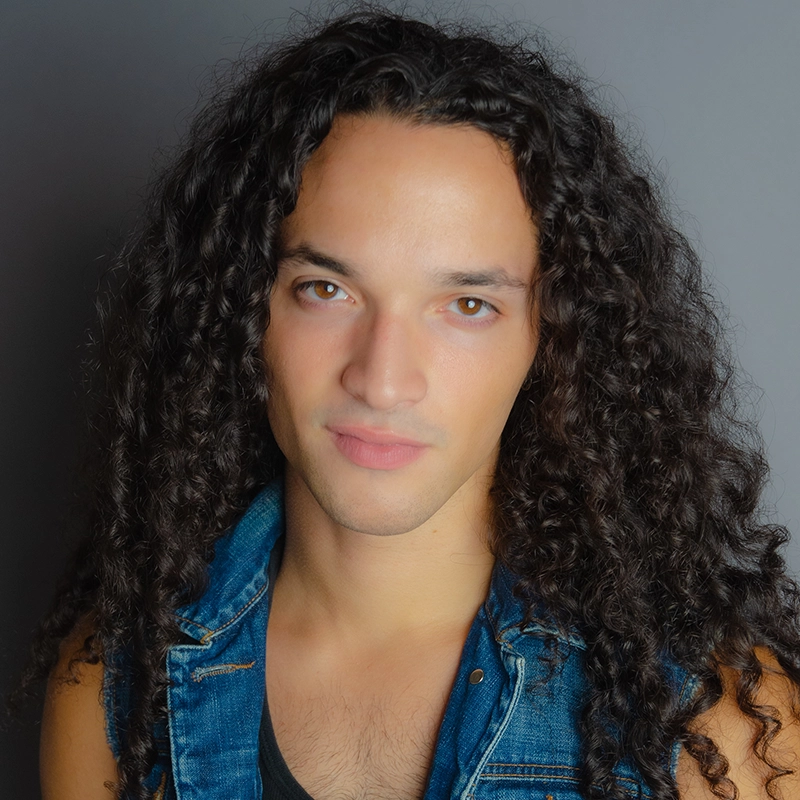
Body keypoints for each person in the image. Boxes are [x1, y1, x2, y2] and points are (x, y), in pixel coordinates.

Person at [24, 7, 800, 800]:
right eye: (325, 289)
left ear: (555, 342)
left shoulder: (717, 723)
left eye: (467, 306)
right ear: (241, 312)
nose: (383, 379)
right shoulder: (117, 687)